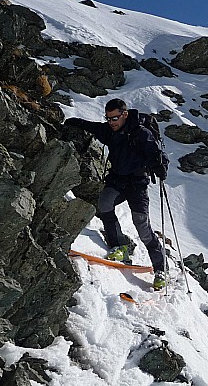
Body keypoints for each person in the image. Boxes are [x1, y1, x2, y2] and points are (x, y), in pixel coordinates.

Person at [65, 98, 169, 290]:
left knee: (142, 225)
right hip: (117, 181)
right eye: (108, 118)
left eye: (114, 118)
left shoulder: (141, 133)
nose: (111, 122)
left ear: (125, 114)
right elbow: (94, 127)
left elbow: (157, 154)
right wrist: (75, 122)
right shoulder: (109, 131)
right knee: (105, 205)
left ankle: (161, 268)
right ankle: (119, 245)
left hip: (137, 184)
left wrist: (161, 167)